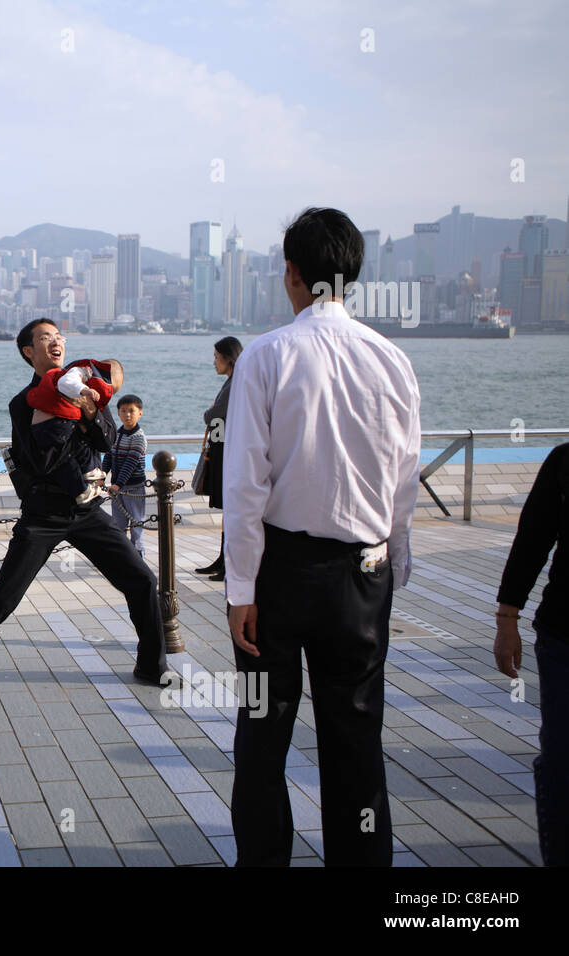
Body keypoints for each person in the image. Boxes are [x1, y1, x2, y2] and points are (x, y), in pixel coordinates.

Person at [224, 207, 421, 867]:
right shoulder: (393, 360)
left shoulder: (267, 355)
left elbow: (246, 484)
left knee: (261, 733)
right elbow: (402, 478)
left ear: (292, 274)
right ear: (352, 274)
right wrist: (392, 567)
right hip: (363, 575)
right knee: (357, 741)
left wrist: (240, 587)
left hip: (279, 575)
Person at [0, 319, 170, 686]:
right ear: (28, 351)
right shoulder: (22, 404)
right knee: (6, 592)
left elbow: (107, 439)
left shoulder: (86, 389)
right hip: (44, 512)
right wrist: (74, 422)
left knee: (142, 580)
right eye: (45, 338)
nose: (55, 342)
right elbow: (41, 461)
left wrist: (87, 413)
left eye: (58, 337)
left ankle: (151, 664)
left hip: (87, 510)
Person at [494, 442, 568, 866]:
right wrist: (507, 620)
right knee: (562, 762)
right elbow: (532, 541)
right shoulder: (564, 462)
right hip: (563, 637)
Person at [27, 358, 124, 504]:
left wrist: (90, 410)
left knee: (80, 447)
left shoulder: (95, 399)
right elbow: (36, 457)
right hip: (48, 499)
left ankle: (88, 477)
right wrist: (84, 391)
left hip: (86, 506)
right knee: (74, 447)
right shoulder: (78, 376)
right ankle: (83, 485)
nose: (105, 397)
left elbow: (108, 442)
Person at [195, 336, 243, 581]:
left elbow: (214, 414)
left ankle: (227, 564)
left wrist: (208, 414)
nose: (214, 362)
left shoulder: (236, 383)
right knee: (228, 509)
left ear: (228, 358)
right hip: (224, 448)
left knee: (231, 509)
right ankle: (222, 559)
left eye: (216, 357)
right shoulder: (234, 381)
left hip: (228, 451)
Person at [104, 394, 148, 556]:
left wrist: (117, 484)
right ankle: (123, 557)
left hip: (134, 488)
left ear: (140, 413)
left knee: (136, 524)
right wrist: (102, 475)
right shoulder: (117, 433)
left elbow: (130, 463)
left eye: (132, 411)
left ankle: (139, 557)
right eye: (123, 411)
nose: (127, 414)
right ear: (118, 413)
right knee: (118, 525)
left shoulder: (138, 437)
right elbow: (108, 456)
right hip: (118, 488)